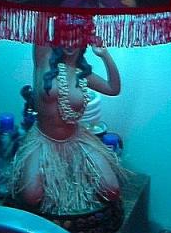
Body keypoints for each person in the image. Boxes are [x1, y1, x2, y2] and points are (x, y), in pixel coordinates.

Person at [7, 44, 123, 215]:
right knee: (31, 196)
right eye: (65, 37)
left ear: (83, 43)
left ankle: (78, 177)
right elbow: (41, 31)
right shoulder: (44, 62)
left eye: (75, 38)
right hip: (43, 140)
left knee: (111, 190)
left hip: (77, 139)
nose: (69, 44)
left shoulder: (83, 74)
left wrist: (104, 54)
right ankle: (54, 180)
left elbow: (113, 89)